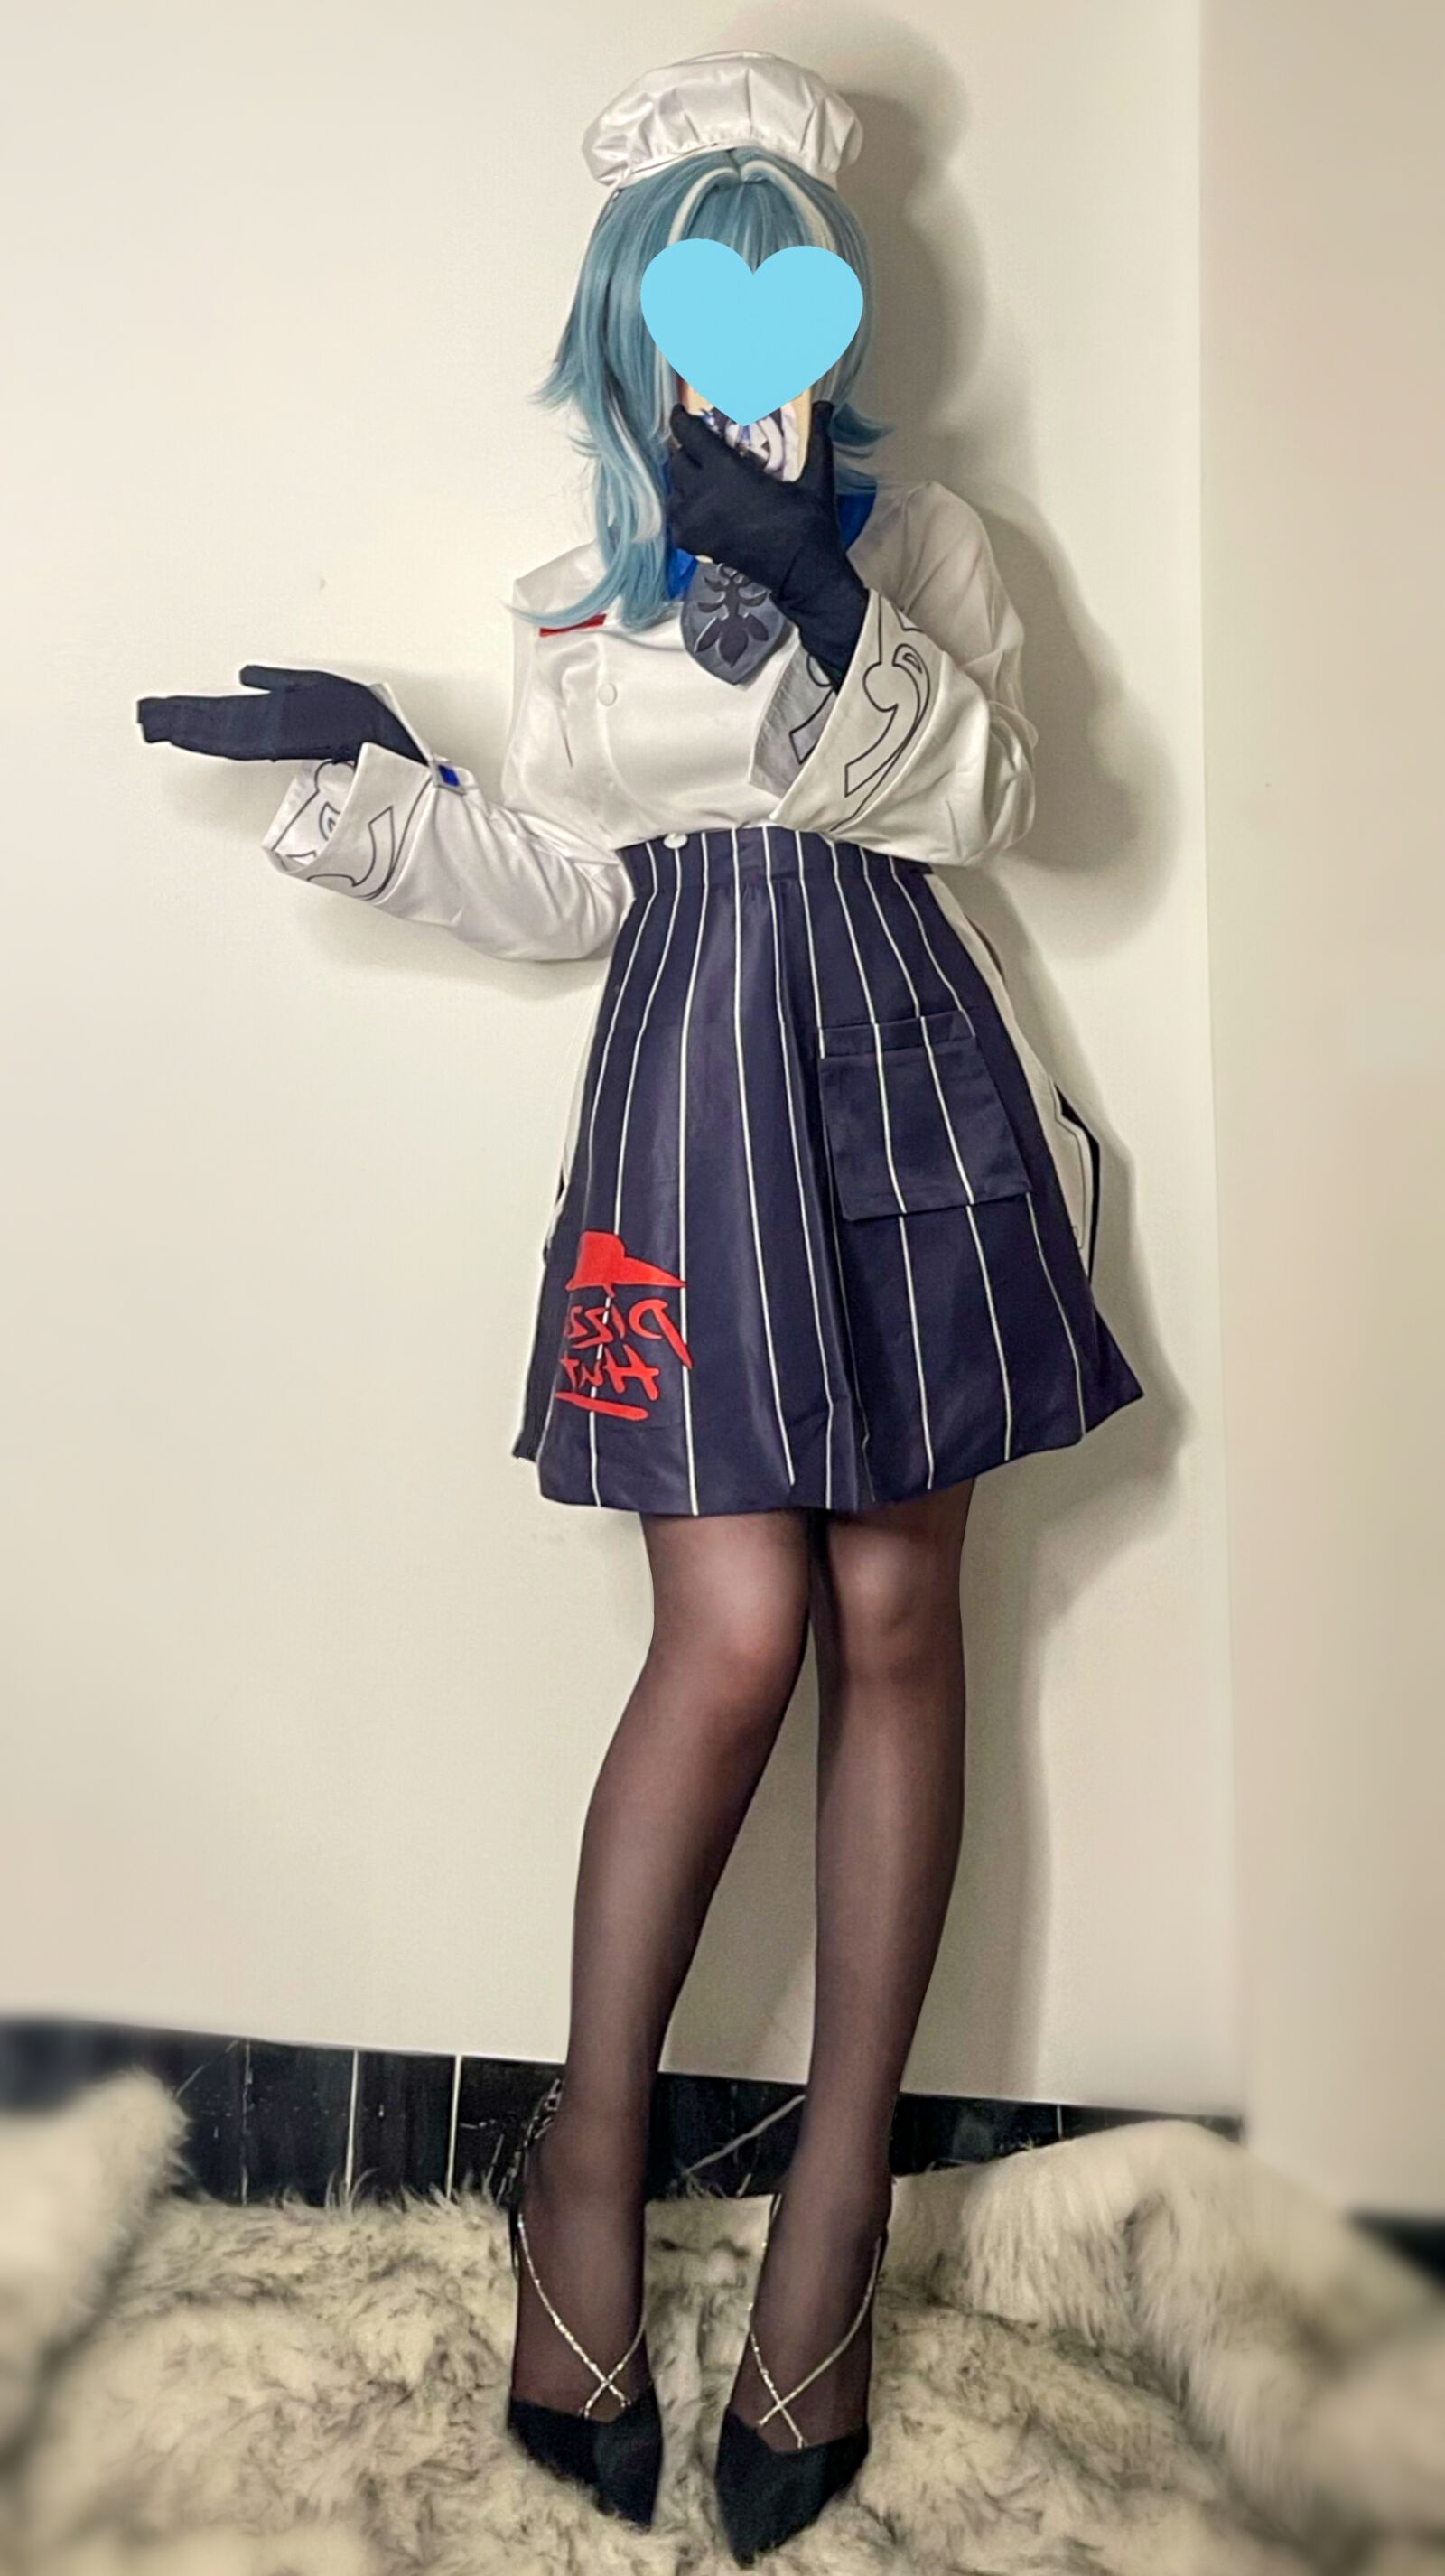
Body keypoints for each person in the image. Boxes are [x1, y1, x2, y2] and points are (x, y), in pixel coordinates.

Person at [138, 49, 1145, 2564]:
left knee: (899, 1610)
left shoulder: (945, 542)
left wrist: (832, 586)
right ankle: (583, 2168)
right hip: (691, 1104)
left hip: (910, 1082)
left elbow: (1002, 802)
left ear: (832, 311)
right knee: (735, 1629)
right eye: (691, 296)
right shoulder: (574, 599)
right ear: (626, 324)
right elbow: (584, 890)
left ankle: (832, 2226)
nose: (738, 339)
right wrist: (379, 789)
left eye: (779, 289)